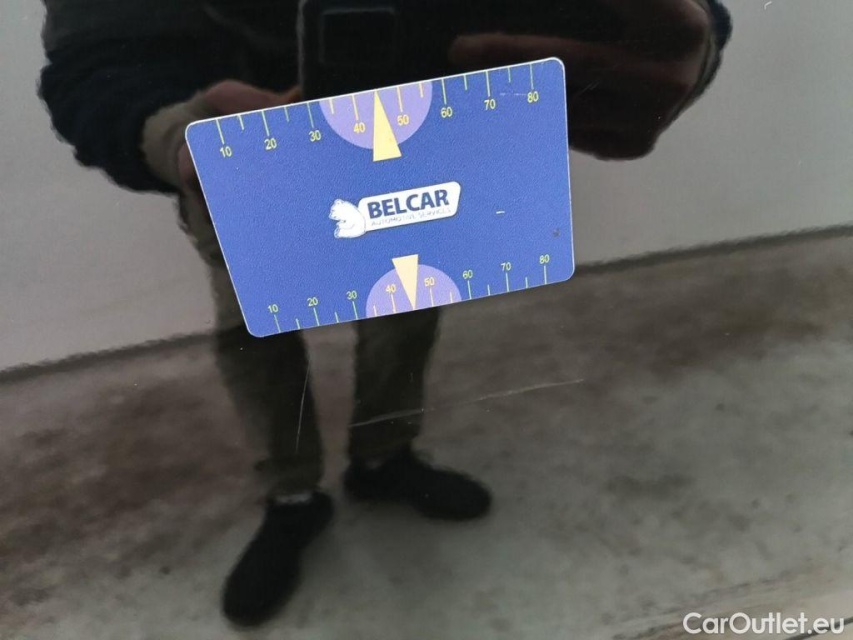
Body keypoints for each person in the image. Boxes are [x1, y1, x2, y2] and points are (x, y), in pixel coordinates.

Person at [39, 0, 731, 626]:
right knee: (257, 337)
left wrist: (690, 38)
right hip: (246, 163)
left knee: (401, 310)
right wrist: (174, 137)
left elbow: (673, 17)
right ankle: (293, 495)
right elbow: (92, 61)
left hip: (397, 140)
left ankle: (381, 459)